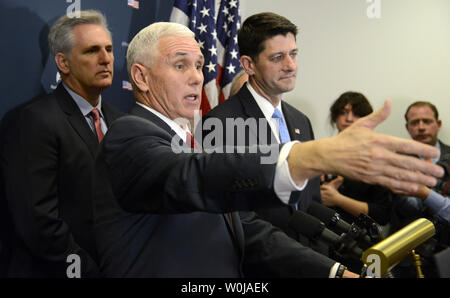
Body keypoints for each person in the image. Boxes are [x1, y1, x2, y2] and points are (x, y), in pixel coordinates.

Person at [92, 21, 442, 278]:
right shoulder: (128, 135)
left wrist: (337, 273)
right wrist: (310, 156)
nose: (197, 78)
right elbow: (193, 177)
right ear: (140, 77)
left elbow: (250, 232)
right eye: (180, 65)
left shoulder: (189, 139)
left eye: (199, 65)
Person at [0, 10, 123, 277]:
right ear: (63, 63)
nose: (106, 59)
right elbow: (39, 222)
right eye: (92, 51)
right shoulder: (32, 121)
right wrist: (88, 273)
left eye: (109, 49)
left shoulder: (122, 123)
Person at [201, 12, 323, 249]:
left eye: (293, 54)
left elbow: (312, 202)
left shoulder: (301, 121)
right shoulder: (221, 124)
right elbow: (239, 219)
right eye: (277, 57)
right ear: (248, 65)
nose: (290, 65)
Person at [320, 92, 393, 227]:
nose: (349, 119)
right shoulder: (319, 152)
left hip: (360, 236)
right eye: (343, 112)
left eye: (357, 114)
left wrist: (338, 200)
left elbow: (382, 214)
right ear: (335, 117)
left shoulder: (377, 158)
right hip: (320, 231)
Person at [394, 101, 450, 224]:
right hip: (410, 235)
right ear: (407, 127)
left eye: (427, 121)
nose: (421, 127)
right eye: (414, 123)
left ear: (438, 124)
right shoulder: (396, 161)